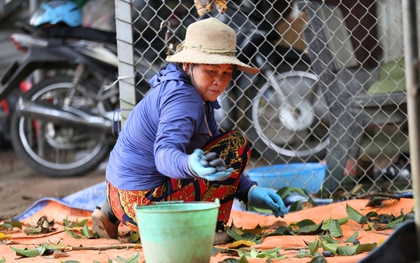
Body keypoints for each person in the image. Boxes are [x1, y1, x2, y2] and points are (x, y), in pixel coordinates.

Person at [91, 17, 288, 245]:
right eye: (211, 71)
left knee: (217, 151)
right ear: (188, 64)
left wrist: (250, 191)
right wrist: (191, 165)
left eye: (226, 73)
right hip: (144, 206)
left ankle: (108, 214)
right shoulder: (185, 99)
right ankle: (206, 230)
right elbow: (164, 155)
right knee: (236, 144)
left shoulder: (179, 86)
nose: (219, 81)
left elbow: (214, 155)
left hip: (117, 194)